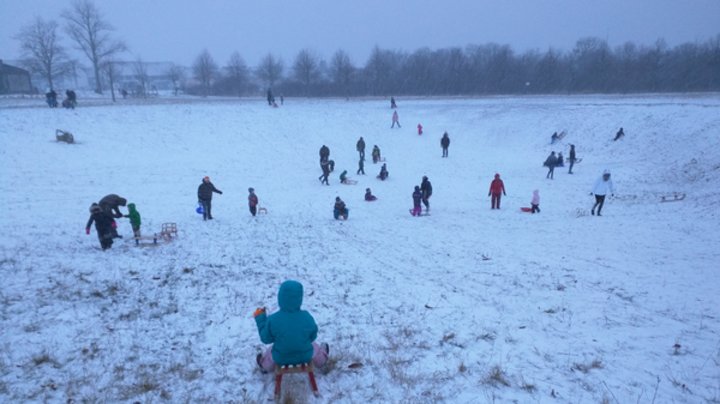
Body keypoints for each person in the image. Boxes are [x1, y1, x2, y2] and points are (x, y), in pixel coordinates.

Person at [254, 280, 330, 373]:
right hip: (305, 355)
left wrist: (261, 319)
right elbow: (313, 336)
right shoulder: (306, 317)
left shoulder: (273, 319)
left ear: (280, 298)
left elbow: (266, 339)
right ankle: (321, 360)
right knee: (314, 346)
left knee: (270, 351)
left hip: (281, 357)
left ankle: (265, 366)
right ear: (300, 299)